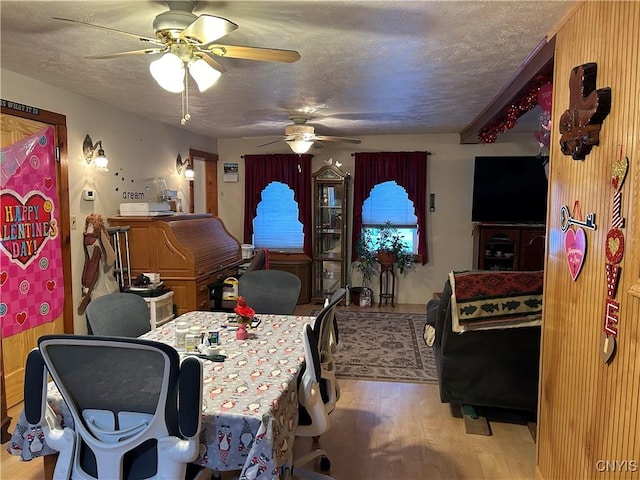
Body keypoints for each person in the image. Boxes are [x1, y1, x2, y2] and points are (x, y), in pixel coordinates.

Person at [77, 213, 119, 314]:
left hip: (101, 282)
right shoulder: (93, 240)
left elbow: (93, 264)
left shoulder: (94, 242)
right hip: (101, 283)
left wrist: (86, 285)